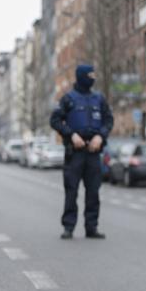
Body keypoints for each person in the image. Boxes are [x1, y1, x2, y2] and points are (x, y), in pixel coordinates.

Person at [50, 64, 113, 240]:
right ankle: (68, 227)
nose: (93, 78)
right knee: (71, 191)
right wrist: (71, 135)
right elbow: (55, 120)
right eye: (90, 75)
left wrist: (100, 136)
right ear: (81, 76)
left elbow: (108, 120)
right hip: (74, 153)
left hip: (93, 152)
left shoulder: (99, 99)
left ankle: (91, 227)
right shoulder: (68, 99)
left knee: (93, 192)